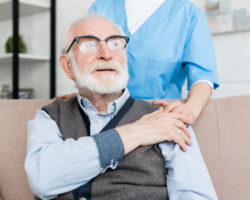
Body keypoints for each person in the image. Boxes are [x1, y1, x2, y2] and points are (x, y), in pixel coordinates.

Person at [25, 15, 218, 199]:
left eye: (115, 43)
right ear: (68, 66)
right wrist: (139, 131)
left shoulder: (166, 119)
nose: (106, 54)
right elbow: (42, 179)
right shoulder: (49, 116)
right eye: (89, 44)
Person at [55, 0, 219, 124]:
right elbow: (89, 61)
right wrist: (86, 94)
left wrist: (191, 108)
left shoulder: (187, 13)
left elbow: (202, 76)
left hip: (158, 116)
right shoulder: (102, 6)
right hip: (103, 115)